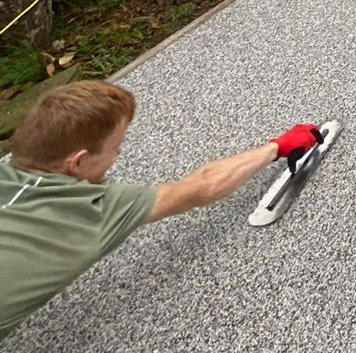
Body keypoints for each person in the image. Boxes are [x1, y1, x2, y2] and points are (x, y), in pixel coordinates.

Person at [0, 79, 321, 339]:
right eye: (115, 148)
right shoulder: (92, 210)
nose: (118, 154)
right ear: (78, 162)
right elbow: (201, 187)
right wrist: (277, 147)